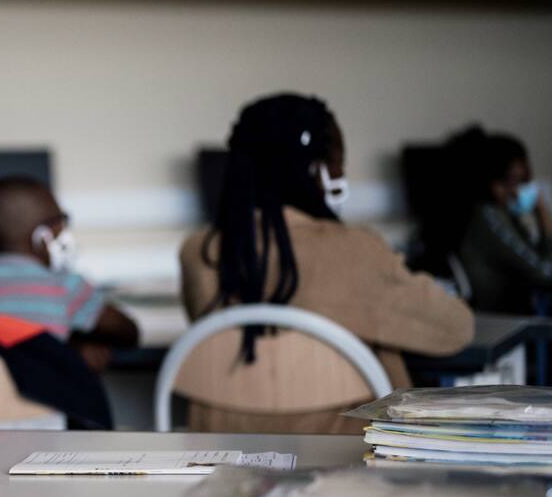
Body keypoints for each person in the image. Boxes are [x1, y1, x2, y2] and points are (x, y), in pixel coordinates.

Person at [179, 93, 472, 432]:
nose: (341, 173)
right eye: (338, 163)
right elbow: (455, 328)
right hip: (345, 463)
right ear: (316, 170)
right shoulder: (354, 251)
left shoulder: (200, 252)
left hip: (226, 461)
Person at [0, 176, 139, 370]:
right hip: (46, 403)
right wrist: (74, 342)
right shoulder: (65, 286)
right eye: (59, 223)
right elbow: (128, 332)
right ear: (43, 236)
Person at [456, 128, 552, 314]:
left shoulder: (506, 215)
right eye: (510, 182)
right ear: (491, 181)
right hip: (503, 317)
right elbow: (544, 274)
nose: (516, 191)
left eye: (521, 181)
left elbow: (540, 262)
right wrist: (544, 217)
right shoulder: (488, 218)